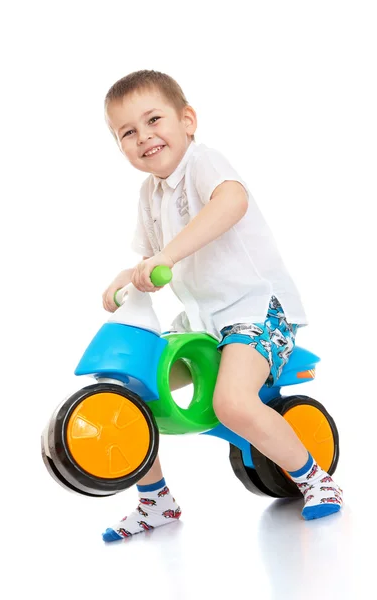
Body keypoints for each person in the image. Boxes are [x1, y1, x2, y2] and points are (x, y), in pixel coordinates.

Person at [101, 70, 343, 542]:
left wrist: (167, 256)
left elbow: (232, 201)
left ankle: (318, 480)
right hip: (203, 321)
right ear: (120, 146)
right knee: (131, 391)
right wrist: (128, 277)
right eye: (128, 132)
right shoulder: (149, 195)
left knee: (231, 402)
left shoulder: (203, 163)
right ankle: (156, 501)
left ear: (187, 120)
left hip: (255, 311)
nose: (144, 136)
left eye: (154, 120)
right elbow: (150, 258)